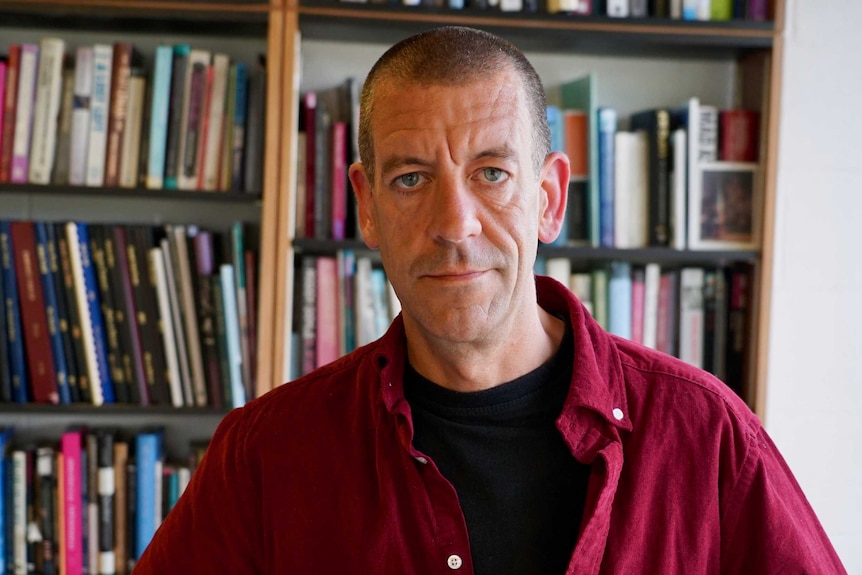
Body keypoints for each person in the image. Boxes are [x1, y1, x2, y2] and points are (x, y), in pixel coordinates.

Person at [135, 26, 846, 574]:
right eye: (412, 178)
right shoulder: (266, 456)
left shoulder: (705, 434)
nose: (455, 224)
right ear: (368, 205)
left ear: (550, 197)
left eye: (492, 172)